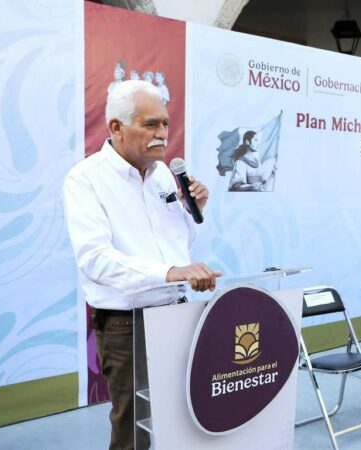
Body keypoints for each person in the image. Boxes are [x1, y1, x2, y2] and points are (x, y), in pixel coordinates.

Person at [63, 80, 221, 450]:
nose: (162, 133)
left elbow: (177, 246)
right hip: (127, 325)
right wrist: (171, 273)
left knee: (181, 418)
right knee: (135, 429)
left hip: (177, 312)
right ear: (116, 127)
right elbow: (95, 260)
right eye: (150, 124)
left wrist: (193, 211)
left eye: (165, 123)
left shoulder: (164, 174)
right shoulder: (85, 179)